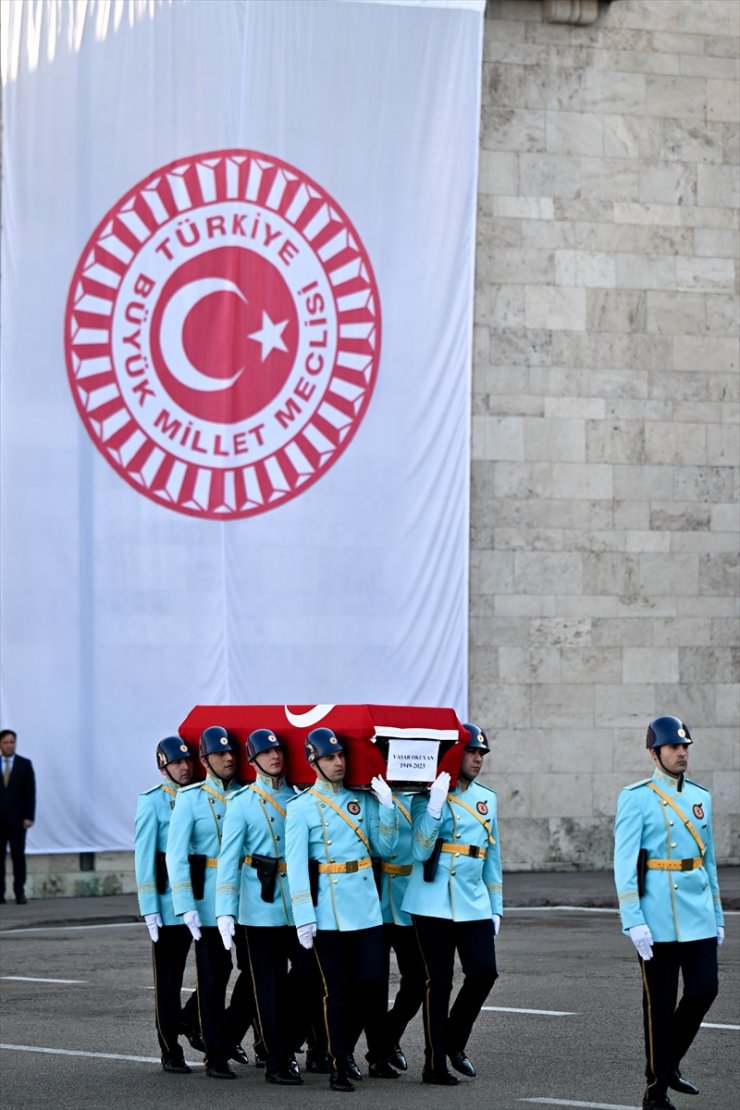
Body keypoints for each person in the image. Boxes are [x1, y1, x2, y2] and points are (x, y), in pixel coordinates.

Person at [614, 715, 725, 1110]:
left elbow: (707, 861)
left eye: (685, 747)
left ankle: (668, 1063)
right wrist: (633, 920)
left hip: (697, 916)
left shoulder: (701, 797)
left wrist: (717, 915)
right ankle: (657, 1091)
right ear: (654, 752)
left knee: (704, 989)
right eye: (674, 747)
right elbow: (624, 863)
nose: (682, 752)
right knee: (659, 1007)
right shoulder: (637, 796)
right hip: (656, 919)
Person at [284, 726, 400, 1092]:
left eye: (341, 756)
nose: (338, 763)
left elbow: (384, 847)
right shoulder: (300, 808)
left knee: (370, 984)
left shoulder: (361, 799)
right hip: (328, 912)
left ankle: (346, 1050)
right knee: (337, 990)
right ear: (313, 762)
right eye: (330, 758)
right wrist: (303, 916)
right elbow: (297, 866)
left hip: (365, 907)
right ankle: (339, 1063)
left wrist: (387, 807)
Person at [402, 723, 502, 1086]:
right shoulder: (424, 797)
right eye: (473, 752)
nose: (478, 759)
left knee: (483, 973)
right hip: (431, 903)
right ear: (455, 755)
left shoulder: (487, 798)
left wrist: (496, 906)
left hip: (473, 902)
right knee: (438, 982)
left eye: (482, 754)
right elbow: (420, 850)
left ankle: (453, 1041)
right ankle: (434, 1064)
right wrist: (435, 807)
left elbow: (491, 855)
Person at [215, 727, 303, 1086]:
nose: (275, 756)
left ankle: (230, 1041)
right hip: (258, 906)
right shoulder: (243, 802)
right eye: (266, 753)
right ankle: (277, 1061)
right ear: (252, 761)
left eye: (278, 750)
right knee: (264, 985)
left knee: (309, 976)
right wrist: (225, 910)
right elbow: (228, 859)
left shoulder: (299, 797)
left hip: (296, 905)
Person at [166, 724, 254, 1079]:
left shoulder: (247, 793)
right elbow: (176, 856)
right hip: (208, 904)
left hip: (248, 898)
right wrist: (186, 903)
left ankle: (224, 1032)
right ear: (204, 760)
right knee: (214, 976)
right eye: (220, 754)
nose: (229, 758)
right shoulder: (191, 798)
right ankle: (215, 1055)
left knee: (254, 973)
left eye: (231, 752)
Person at [134, 735, 201, 1073]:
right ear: (163, 767)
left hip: (201, 900)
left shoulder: (200, 797)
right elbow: (144, 857)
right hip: (167, 904)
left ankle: (191, 1019)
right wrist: (149, 907)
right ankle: (169, 1049)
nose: (186, 767)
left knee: (215, 971)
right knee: (169, 980)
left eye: (188, 761)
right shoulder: (152, 803)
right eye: (177, 763)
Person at [375, 789, 425, 1073]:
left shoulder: (422, 797)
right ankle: (380, 1056)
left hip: (410, 900)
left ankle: (388, 1037)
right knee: (375, 985)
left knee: (419, 979)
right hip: (378, 901)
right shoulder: (373, 795)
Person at [0, 728, 36, 905]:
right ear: (0, 744)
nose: (9, 745)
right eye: (5, 742)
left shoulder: (24, 764)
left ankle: (19, 892)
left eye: (11, 742)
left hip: (17, 820)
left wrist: (29, 816)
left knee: (18, 858)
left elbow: (30, 793)